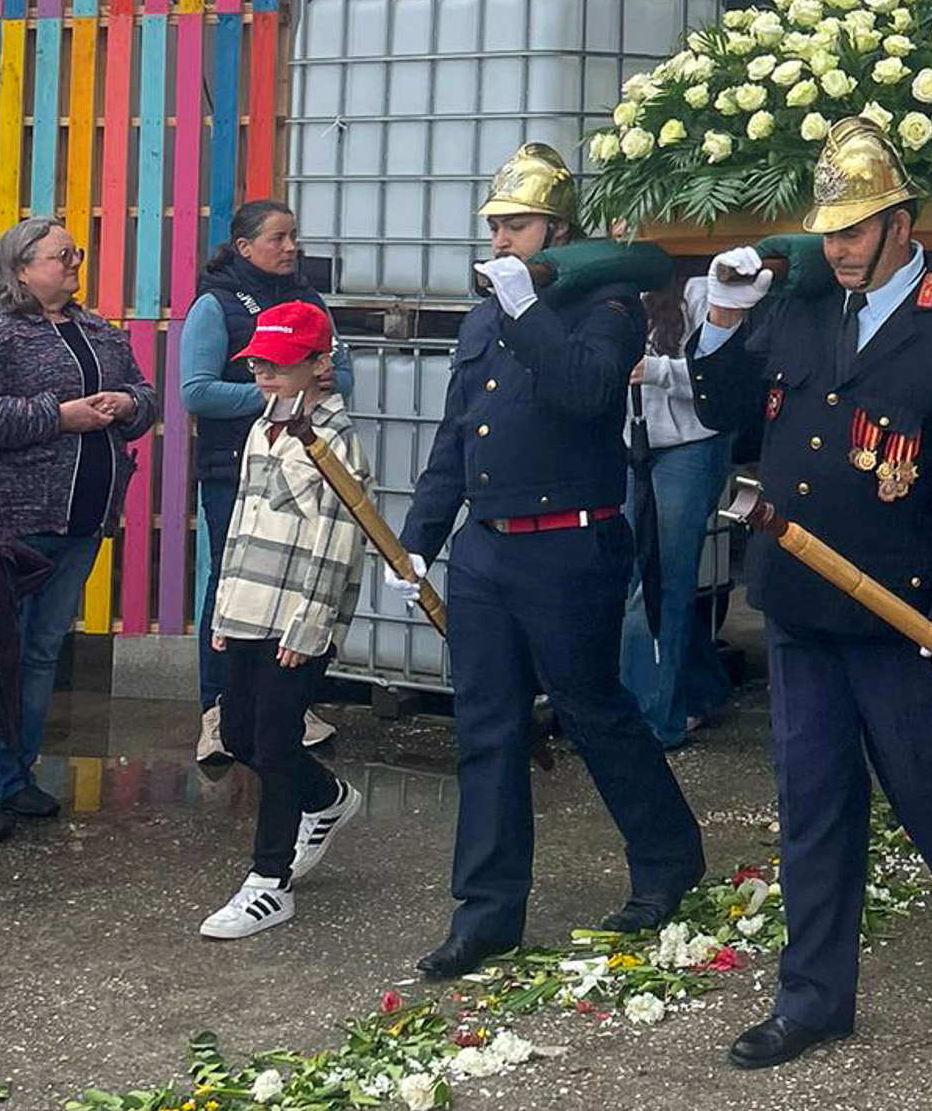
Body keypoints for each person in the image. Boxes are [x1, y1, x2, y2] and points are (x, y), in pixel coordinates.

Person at [690, 118, 932, 1070]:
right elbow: (725, 408)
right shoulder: (804, 310)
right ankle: (812, 999)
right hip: (800, 603)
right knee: (813, 799)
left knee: (926, 786)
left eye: (854, 231)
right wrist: (723, 316)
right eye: (829, 233)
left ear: (901, 223)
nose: (838, 249)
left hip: (905, 613)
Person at [395, 143, 705, 978]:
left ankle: (668, 860)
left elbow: (585, 390)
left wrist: (528, 308)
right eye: (495, 225)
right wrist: (419, 539)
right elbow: (457, 436)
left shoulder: (606, 305)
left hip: (570, 543)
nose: (501, 239)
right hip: (487, 548)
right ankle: (487, 912)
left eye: (519, 225)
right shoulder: (486, 315)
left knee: (592, 710)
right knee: (485, 728)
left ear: (558, 231)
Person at [0, 218, 155, 843]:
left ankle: (14, 777)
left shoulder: (97, 329)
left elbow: (145, 395)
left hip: (81, 521)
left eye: (75, 253)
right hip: (5, 524)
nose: (75, 263)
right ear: (20, 268)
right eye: (61, 256)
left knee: (39, 655)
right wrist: (59, 416)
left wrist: (128, 405)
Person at [198, 303, 370, 940]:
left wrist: (310, 623)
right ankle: (325, 798)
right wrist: (223, 610)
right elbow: (241, 524)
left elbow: (338, 539)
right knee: (237, 734)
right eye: (258, 365)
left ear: (320, 364)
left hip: (297, 617)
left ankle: (269, 882)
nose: (265, 375)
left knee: (274, 742)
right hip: (247, 608)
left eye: (279, 364)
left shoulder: (335, 439)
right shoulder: (260, 426)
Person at [181, 199, 353, 764]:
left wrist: (308, 387)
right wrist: (277, 393)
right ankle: (218, 706)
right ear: (244, 246)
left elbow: (340, 374)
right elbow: (197, 391)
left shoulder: (309, 300)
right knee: (232, 581)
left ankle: (286, 704)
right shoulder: (217, 303)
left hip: (306, 459)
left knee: (300, 577)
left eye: (294, 236)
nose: (291, 247)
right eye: (278, 238)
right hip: (236, 466)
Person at [620, 275, 735, 749]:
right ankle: (700, 689)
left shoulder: (702, 288)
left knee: (658, 581)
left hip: (691, 446)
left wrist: (657, 370)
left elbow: (723, 380)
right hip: (633, 446)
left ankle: (651, 723)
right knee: (630, 576)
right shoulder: (621, 287)